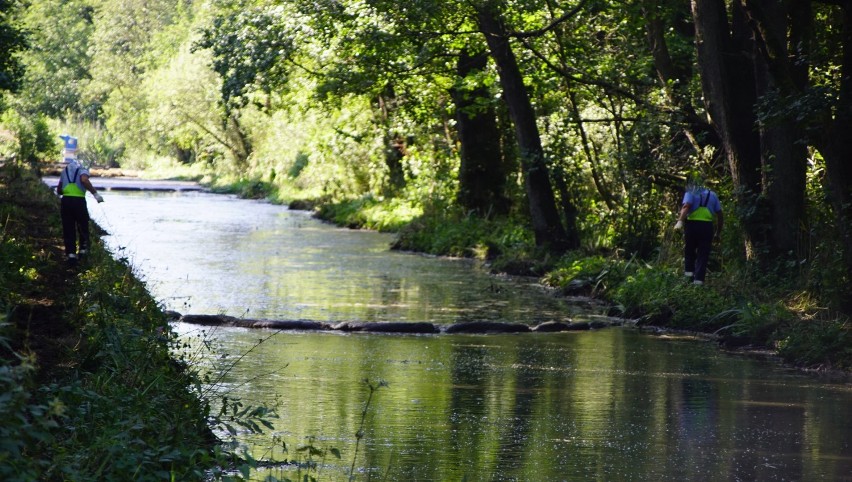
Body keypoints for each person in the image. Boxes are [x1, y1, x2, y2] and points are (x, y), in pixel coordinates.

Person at [673, 176, 723, 285]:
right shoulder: (713, 195)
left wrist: (680, 221)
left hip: (692, 226)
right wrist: (718, 232)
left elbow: (686, 206)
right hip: (707, 227)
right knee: (703, 254)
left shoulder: (691, 193)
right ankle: (698, 282)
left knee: (689, 251)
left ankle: (688, 279)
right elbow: (720, 214)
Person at [57, 157, 103, 263]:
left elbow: (59, 190)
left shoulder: (65, 171)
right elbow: (84, 180)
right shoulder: (82, 168)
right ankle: (83, 252)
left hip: (66, 201)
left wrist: (67, 190)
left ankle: (71, 255)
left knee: (68, 227)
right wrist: (95, 194)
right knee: (82, 225)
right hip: (79, 201)